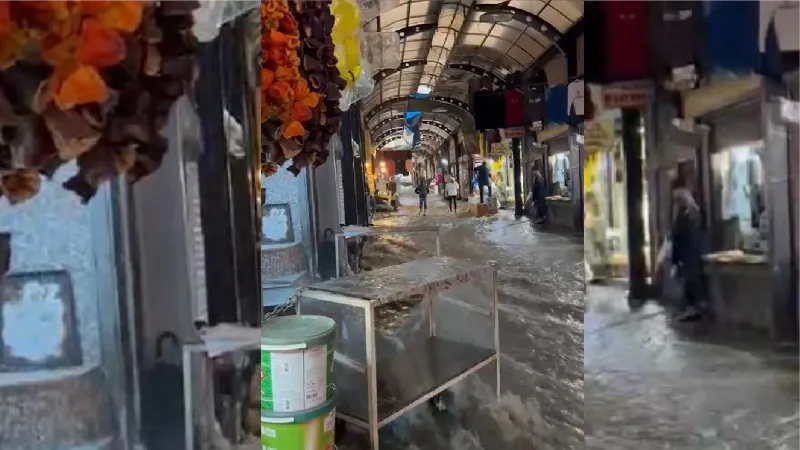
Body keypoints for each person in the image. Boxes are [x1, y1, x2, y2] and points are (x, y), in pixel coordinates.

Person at [670, 183, 704, 321]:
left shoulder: (690, 214)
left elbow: (683, 236)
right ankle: (688, 308)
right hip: (686, 255)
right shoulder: (684, 214)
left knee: (690, 282)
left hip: (689, 254)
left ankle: (692, 308)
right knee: (687, 282)